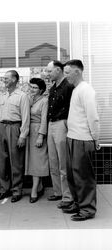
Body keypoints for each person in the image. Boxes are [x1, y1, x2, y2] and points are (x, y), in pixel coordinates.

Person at [0, 70, 30, 203]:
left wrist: (22, 135)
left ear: (15, 79)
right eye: (4, 78)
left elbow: (26, 118)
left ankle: (16, 191)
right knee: (1, 162)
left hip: (15, 128)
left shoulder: (22, 96)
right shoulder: (2, 95)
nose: (4, 80)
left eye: (7, 78)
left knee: (16, 162)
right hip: (1, 127)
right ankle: (4, 190)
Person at [62, 59, 100, 221]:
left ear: (77, 71)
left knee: (83, 177)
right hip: (72, 137)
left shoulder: (86, 90)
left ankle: (87, 210)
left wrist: (96, 138)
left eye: (67, 73)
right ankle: (78, 203)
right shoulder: (76, 89)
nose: (66, 76)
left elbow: (93, 117)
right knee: (72, 175)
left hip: (83, 139)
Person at [46, 60, 74, 209]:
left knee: (63, 163)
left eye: (49, 71)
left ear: (58, 70)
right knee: (53, 162)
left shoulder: (68, 86)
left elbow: (72, 108)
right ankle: (58, 192)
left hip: (62, 124)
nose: (47, 73)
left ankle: (68, 196)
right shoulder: (53, 88)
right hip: (51, 124)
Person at [25, 78, 49, 203]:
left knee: (37, 162)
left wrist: (41, 135)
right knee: (33, 161)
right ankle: (39, 186)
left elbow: (44, 119)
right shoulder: (29, 99)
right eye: (31, 87)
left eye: (35, 88)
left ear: (41, 90)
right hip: (29, 132)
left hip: (38, 132)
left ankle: (34, 190)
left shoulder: (44, 100)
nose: (32, 89)